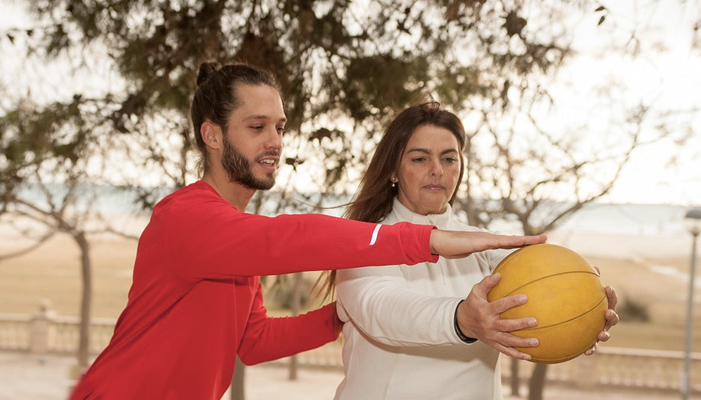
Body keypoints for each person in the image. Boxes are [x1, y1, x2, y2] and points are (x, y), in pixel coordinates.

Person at [68, 63, 547, 399]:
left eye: (279, 126)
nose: (275, 141)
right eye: (257, 127)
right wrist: (424, 240)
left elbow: (253, 342)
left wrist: (339, 315)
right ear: (211, 136)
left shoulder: (234, 236)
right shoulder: (186, 218)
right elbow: (286, 240)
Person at [324, 102, 620, 400]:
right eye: (419, 158)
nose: (437, 170)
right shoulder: (364, 242)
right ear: (393, 170)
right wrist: (461, 319)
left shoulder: (485, 244)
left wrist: (584, 314)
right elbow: (383, 310)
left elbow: (549, 293)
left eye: (449, 158)